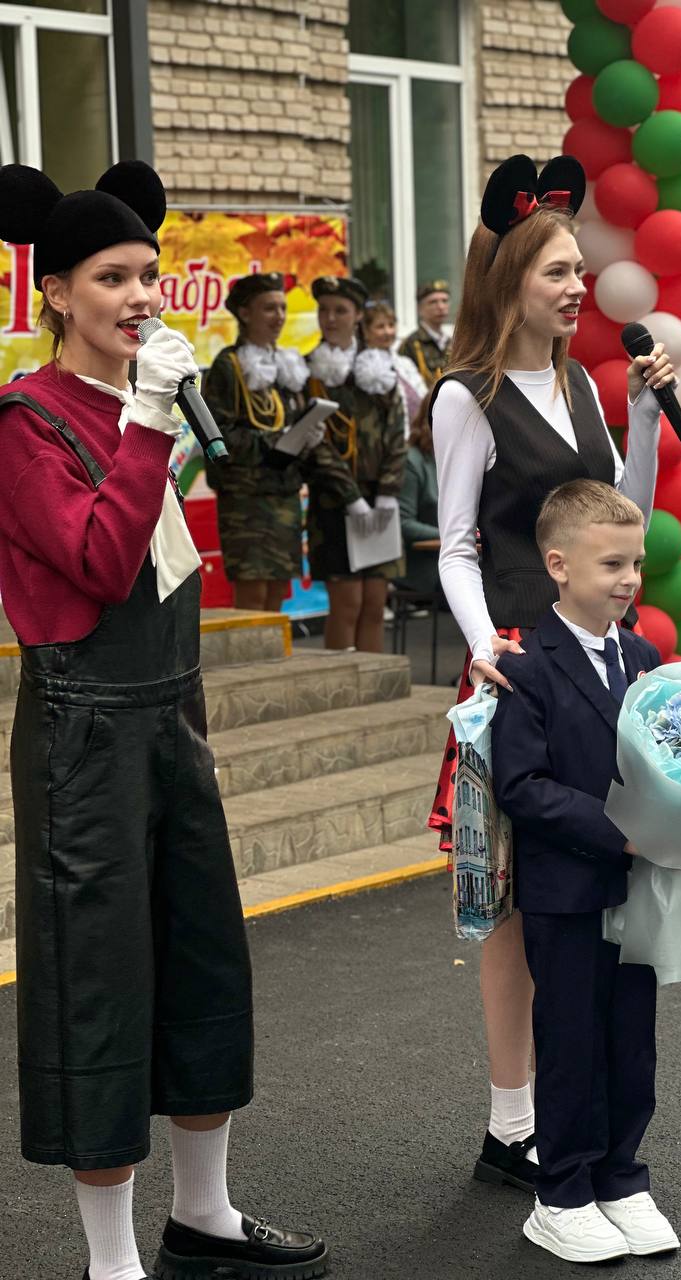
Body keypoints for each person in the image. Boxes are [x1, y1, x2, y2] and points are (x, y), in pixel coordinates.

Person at [0, 161, 328, 1280]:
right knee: (98, 982)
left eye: (148, 271)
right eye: (110, 276)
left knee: (203, 961)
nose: (140, 293)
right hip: (83, 729)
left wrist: (150, 412)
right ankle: (111, 1261)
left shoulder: (147, 399)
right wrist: (147, 417)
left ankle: (204, 1215)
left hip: (169, 712)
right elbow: (97, 563)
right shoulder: (26, 421)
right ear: (56, 294)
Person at [428, 152, 671, 1196]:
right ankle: (511, 1121)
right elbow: (456, 545)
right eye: (559, 272)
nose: (581, 288)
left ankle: (568, 1113)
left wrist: (647, 417)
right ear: (511, 280)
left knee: (580, 890)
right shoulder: (465, 395)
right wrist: (488, 648)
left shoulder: (578, 382)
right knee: (509, 902)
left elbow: (620, 515)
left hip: (594, 659)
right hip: (519, 669)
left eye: (581, 269)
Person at [491, 479, 677, 1263]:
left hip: (635, 890)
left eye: (635, 564)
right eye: (612, 565)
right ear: (559, 566)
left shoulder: (643, 656)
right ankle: (561, 1193)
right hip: (565, 890)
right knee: (570, 1040)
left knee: (631, 1038)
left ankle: (620, 1176)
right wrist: (620, 833)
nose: (630, 579)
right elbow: (522, 786)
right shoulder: (526, 666)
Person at [203, 272, 319, 612]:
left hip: (284, 493)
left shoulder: (286, 364)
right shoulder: (229, 365)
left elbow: (286, 419)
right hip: (246, 499)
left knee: (278, 591)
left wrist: (306, 435)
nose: (279, 316)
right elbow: (218, 433)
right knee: (252, 595)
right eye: (269, 308)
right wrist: (276, 440)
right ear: (245, 313)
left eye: (282, 308)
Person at [305, 275, 407, 653]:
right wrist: (351, 497)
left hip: (380, 498)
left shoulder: (378, 365)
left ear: (357, 316)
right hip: (335, 502)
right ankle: (341, 683)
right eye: (324, 310)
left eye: (340, 311)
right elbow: (315, 443)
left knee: (375, 603)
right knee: (347, 604)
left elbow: (397, 431)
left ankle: (375, 682)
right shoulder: (307, 371)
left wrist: (389, 491)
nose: (330, 318)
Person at [359, 298, 428, 436]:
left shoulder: (404, 363)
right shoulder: (365, 367)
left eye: (391, 325)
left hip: (419, 437)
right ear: (366, 332)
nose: (388, 332)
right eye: (380, 327)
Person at [397, 398, 441, 596]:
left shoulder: (459, 458)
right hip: (424, 565)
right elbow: (404, 523)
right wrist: (452, 535)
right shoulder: (412, 461)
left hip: (461, 557)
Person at [398, 278, 451, 385]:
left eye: (444, 301)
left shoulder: (453, 342)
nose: (441, 307)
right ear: (419, 308)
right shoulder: (411, 344)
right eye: (433, 302)